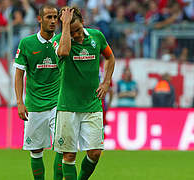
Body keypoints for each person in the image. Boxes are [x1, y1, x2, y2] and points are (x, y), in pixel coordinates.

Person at [52, 6, 115, 180]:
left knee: (95, 153)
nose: (77, 35)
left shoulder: (97, 36)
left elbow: (110, 57)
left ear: (84, 23)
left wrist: (106, 82)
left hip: (92, 104)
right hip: (67, 106)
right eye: (72, 32)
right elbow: (64, 52)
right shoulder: (58, 41)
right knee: (69, 156)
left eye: (78, 30)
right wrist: (65, 27)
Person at [14, 4, 63, 180]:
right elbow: (19, 74)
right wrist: (20, 102)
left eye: (55, 17)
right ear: (39, 19)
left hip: (59, 104)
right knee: (35, 150)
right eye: (49, 17)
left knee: (63, 147)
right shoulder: (27, 43)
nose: (52, 21)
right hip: (34, 105)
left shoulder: (62, 42)